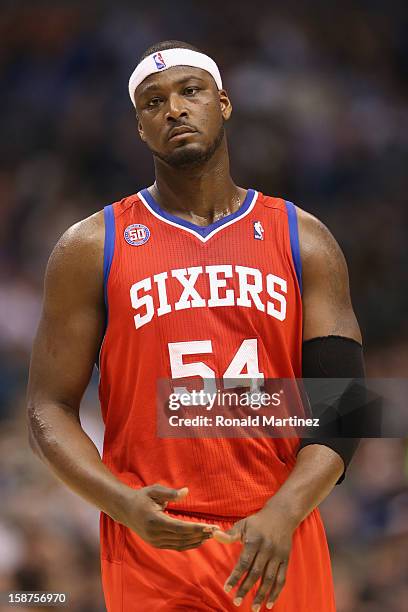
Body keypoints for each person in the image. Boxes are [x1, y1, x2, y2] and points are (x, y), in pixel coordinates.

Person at [27, 40, 365, 611]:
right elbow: (47, 409)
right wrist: (121, 503)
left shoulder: (303, 238)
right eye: (153, 102)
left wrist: (284, 511)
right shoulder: (91, 246)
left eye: (190, 91)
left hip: (278, 531)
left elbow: (346, 406)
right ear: (139, 128)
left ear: (224, 103)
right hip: (155, 539)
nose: (175, 109)